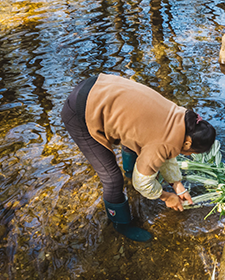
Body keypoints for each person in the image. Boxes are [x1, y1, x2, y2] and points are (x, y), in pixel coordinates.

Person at [61, 73, 216, 242]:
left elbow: (165, 147)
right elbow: (142, 183)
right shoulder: (166, 142)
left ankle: (129, 170)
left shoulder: (181, 117)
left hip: (98, 86)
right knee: (112, 179)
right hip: (80, 112)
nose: (188, 155)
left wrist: (177, 184)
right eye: (191, 152)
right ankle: (121, 224)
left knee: (136, 137)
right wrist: (166, 196)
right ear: (187, 143)